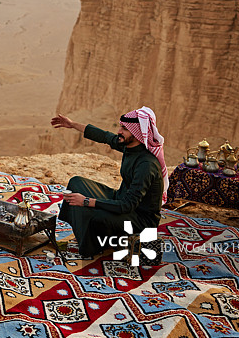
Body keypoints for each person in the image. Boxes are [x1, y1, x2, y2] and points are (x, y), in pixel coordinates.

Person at [50, 107, 168, 258]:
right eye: (120, 126)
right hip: (120, 199)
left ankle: (91, 247)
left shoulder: (146, 164)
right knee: (76, 183)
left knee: (95, 215)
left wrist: (87, 201)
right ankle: (87, 236)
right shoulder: (129, 145)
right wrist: (72, 124)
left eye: (125, 128)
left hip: (139, 218)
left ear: (138, 133)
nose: (119, 131)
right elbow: (104, 136)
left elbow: (128, 205)